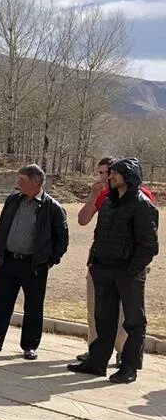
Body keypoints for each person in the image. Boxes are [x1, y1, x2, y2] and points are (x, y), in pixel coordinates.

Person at [69, 158, 159, 384]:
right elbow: (99, 234)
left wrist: (131, 271)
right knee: (103, 318)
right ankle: (97, 363)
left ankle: (129, 367)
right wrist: (94, 262)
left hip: (128, 272)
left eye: (116, 173)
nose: (110, 177)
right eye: (111, 173)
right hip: (103, 269)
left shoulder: (142, 205)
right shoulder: (108, 202)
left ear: (129, 176)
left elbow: (149, 245)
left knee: (133, 321)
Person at [0, 164, 68, 360]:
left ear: (36, 182)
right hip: (8, 261)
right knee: (1, 303)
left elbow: (62, 239)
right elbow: (2, 225)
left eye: (21, 180)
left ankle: (29, 346)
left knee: (33, 306)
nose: (17, 184)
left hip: (34, 265)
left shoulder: (53, 208)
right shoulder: (13, 200)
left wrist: (49, 261)